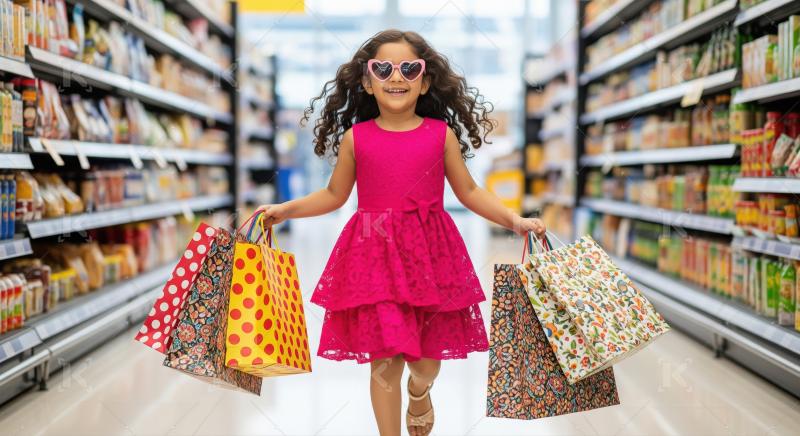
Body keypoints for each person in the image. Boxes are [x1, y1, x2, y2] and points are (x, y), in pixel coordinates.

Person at [257, 29, 546, 436]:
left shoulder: (439, 135)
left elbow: (469, 191)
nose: (397, 76)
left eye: (409, 68)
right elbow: (335, 195)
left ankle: (420, 391)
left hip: (431, 256)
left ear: (424, 81)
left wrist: (514, 220)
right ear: (366, 80)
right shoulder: (357, 138)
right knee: (384, 361)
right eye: (384, 68)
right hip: (373, 256)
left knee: (426, 362)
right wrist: (286, 210)